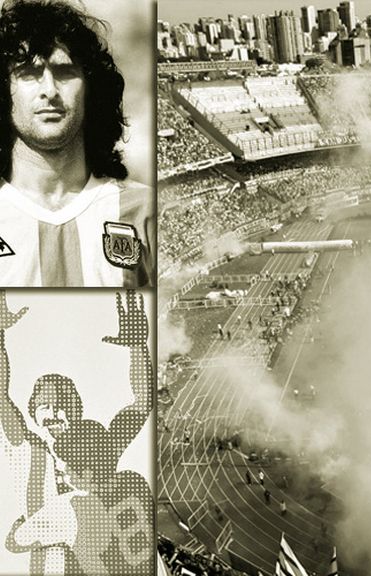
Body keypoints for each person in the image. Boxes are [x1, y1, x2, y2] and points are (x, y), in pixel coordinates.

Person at [0, 0, 153, 287]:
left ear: (91, 89)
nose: (49, 91)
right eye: (29, 74)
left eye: (65, 72)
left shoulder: (144, 209)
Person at [1, 290, 152, 575]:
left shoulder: (99, 446)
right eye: (45, 405)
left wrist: (137, 347)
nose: (54, 412)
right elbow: (1, 396)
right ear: (32, 411)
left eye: (62, 405)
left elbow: (142, 402)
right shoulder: (29, 446)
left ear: (77, 412)